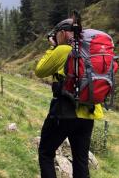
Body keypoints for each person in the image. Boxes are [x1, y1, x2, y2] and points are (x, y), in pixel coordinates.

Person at [35, 18, 104, 178]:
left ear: (62, 33)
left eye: (57, 34)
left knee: (46, 153)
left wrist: (53, 47)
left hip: (65, 112)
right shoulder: (90, 50)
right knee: (80, 160)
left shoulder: (64, 50)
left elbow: (40, 70)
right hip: (89, 112)